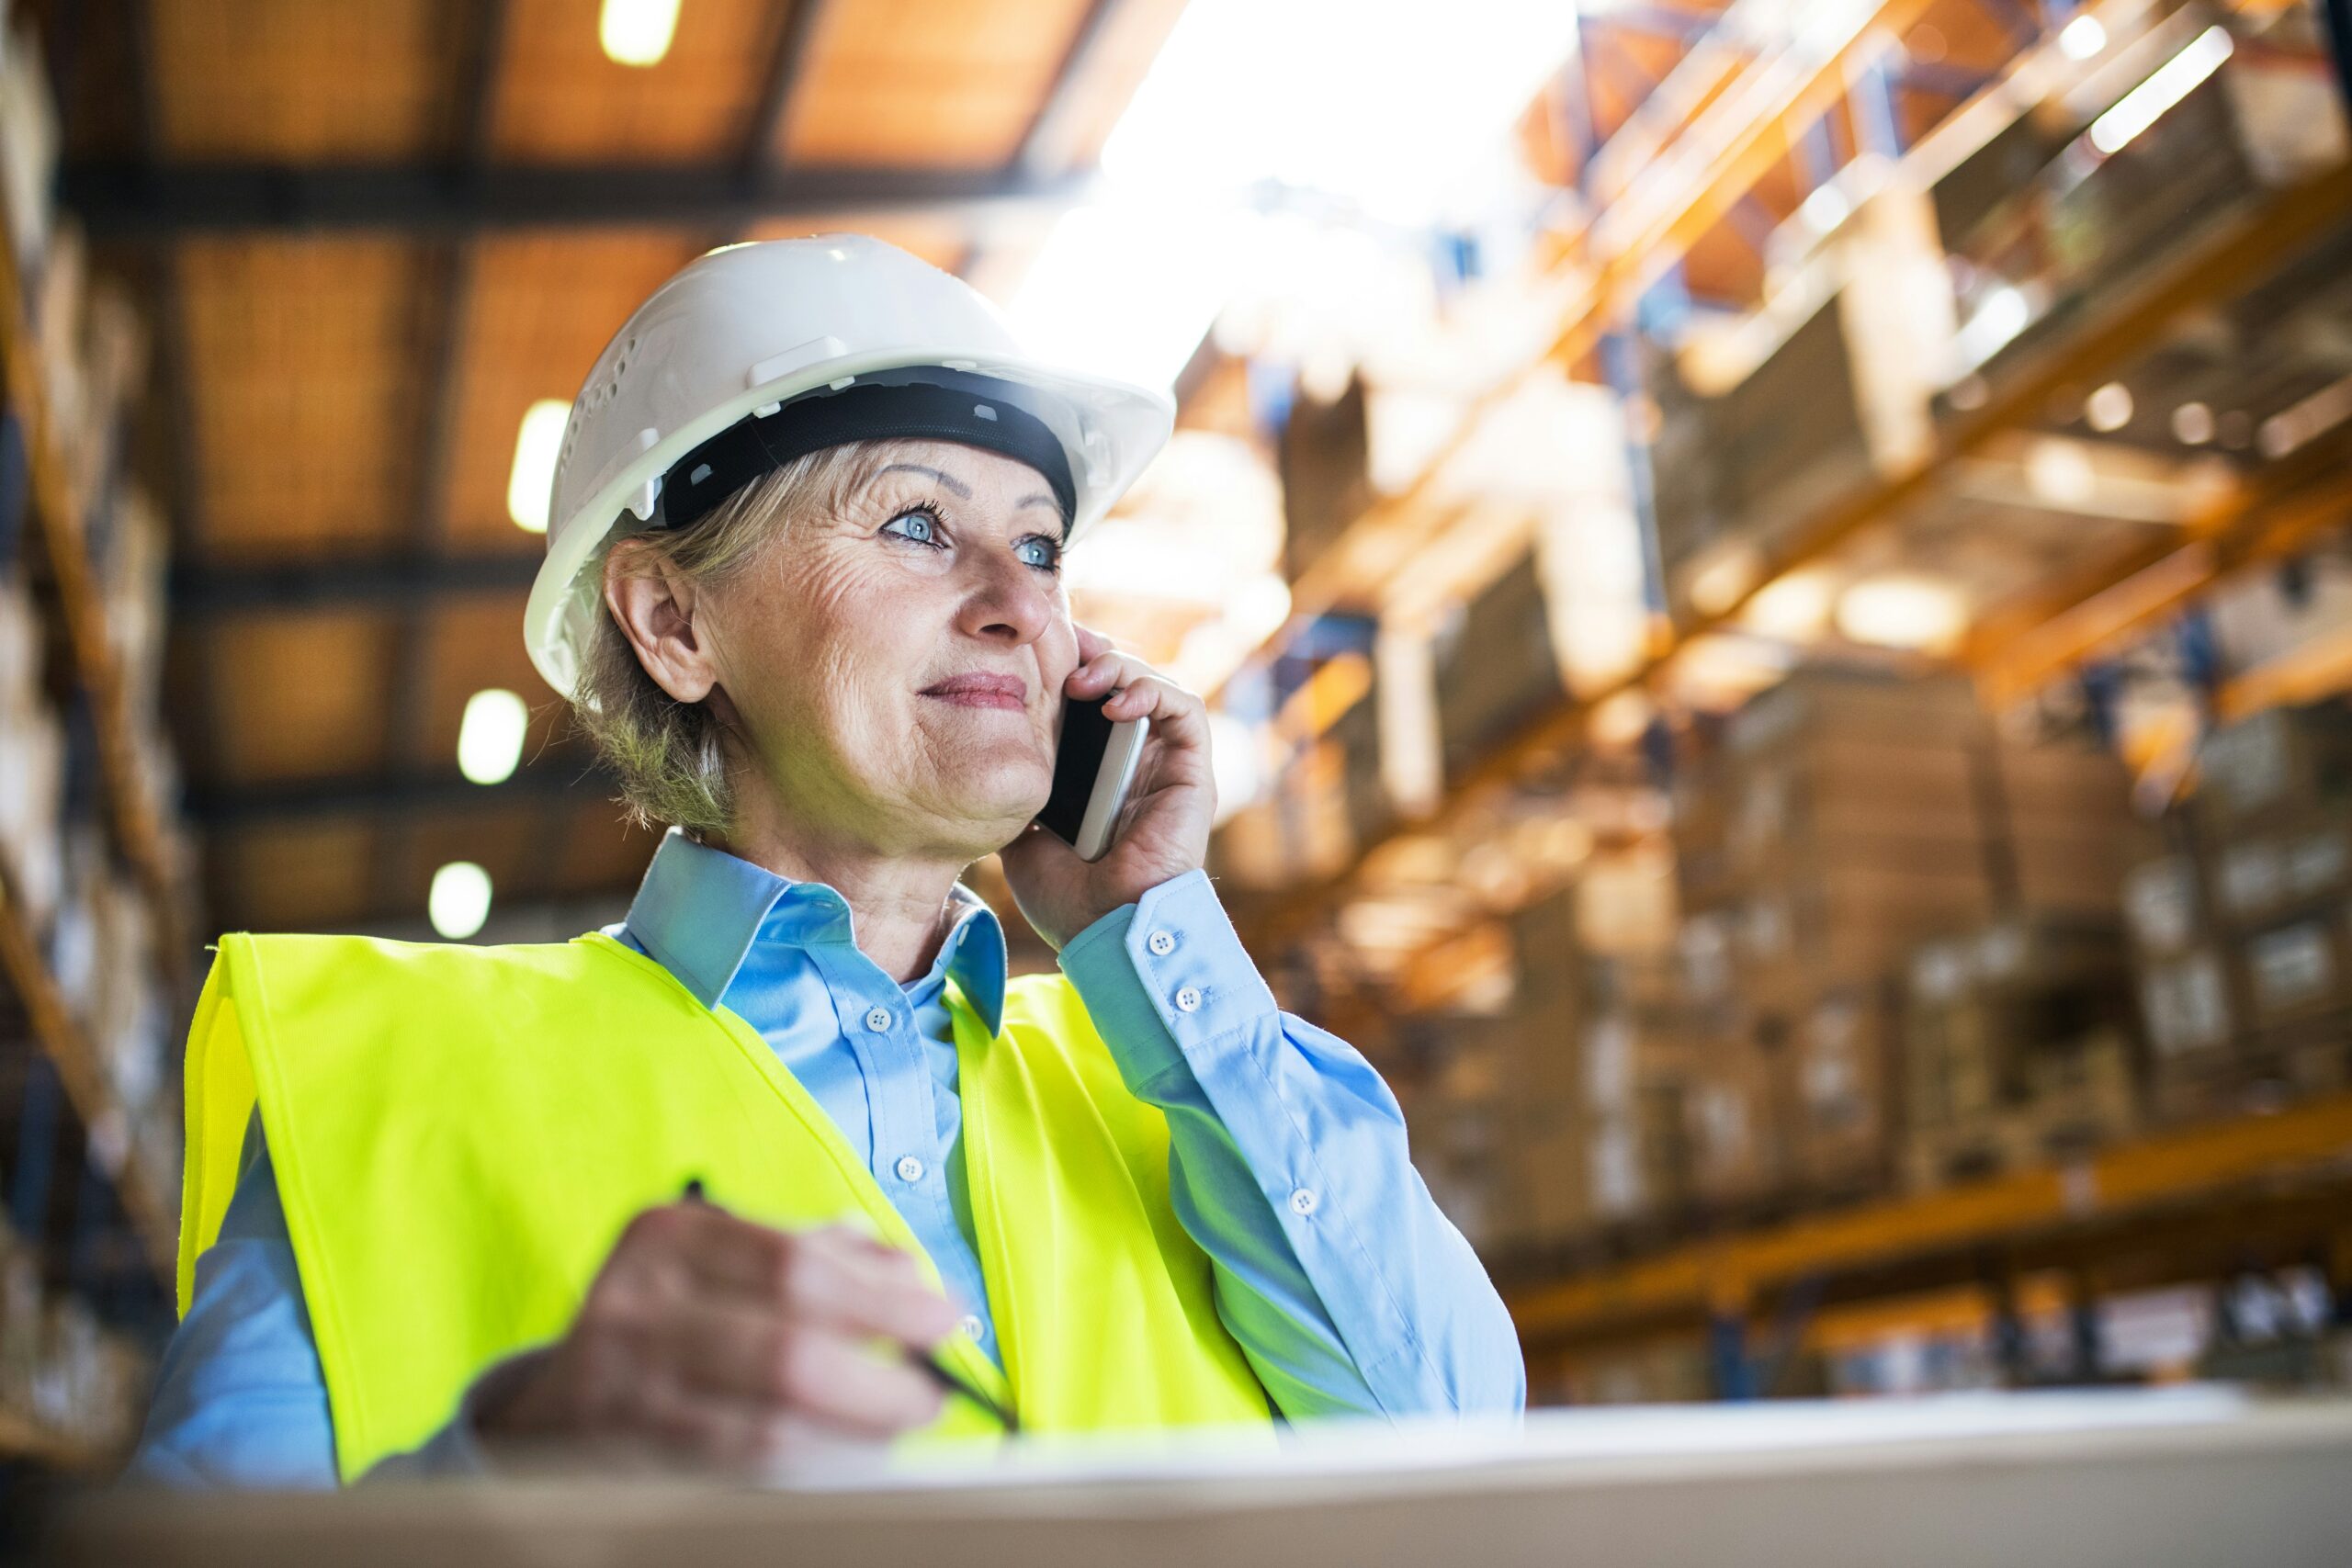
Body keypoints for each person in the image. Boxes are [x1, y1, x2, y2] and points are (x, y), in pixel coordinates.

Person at [129, 235, 1523, 1487]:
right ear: (674, 621)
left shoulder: (1184, 1079)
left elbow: (1459, 1454)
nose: (1017, 609)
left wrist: (1148, 924)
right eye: (917, 525)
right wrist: (512, 1479)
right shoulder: (397, 1073)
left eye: (1040, 547)